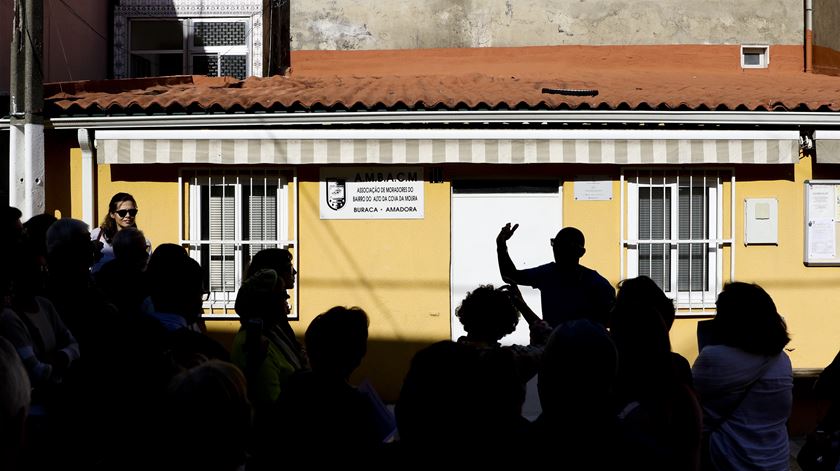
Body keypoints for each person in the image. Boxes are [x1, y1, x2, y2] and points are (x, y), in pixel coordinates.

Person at [692, 282, 792, 471]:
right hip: (776, 461)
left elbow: (691, 405)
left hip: (728, 460)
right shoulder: (782, 360)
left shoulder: (715, 357)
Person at [496, 224, 615, 326]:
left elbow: (510, 275)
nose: (557, 250)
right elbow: (510, 275)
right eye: (556, 244)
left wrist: (501, 245)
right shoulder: (597, 283)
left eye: (564, 247)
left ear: (581, 252)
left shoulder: (548, 274)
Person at [91, 192, 149, 273]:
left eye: (132, 212)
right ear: (112, 214)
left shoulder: (143, 242)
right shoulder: (97, 235)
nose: (128, 215)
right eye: (122, 213)